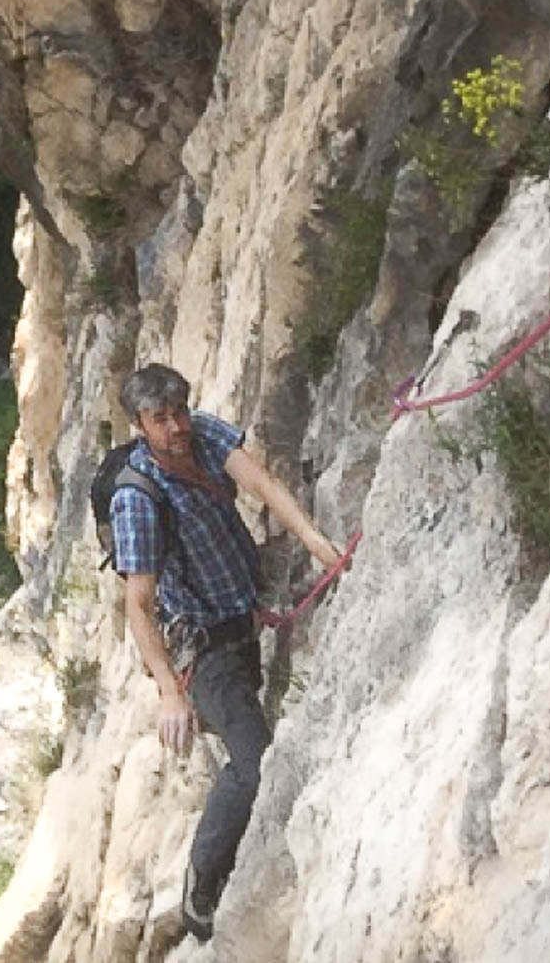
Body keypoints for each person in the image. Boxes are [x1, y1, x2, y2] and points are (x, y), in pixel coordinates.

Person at [110, 363, 343, 944]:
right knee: (255, 758)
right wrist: (169, 692)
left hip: (242, 611)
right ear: (139, 426)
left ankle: (228, 851)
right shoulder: (136, 499)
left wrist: (315, 541)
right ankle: (201, 886)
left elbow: (260, 482)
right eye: (160, 419)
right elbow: (137, 604)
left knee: (255, 744)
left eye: (179, 412)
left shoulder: (204, 434)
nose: (176, 427)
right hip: (203, 649)